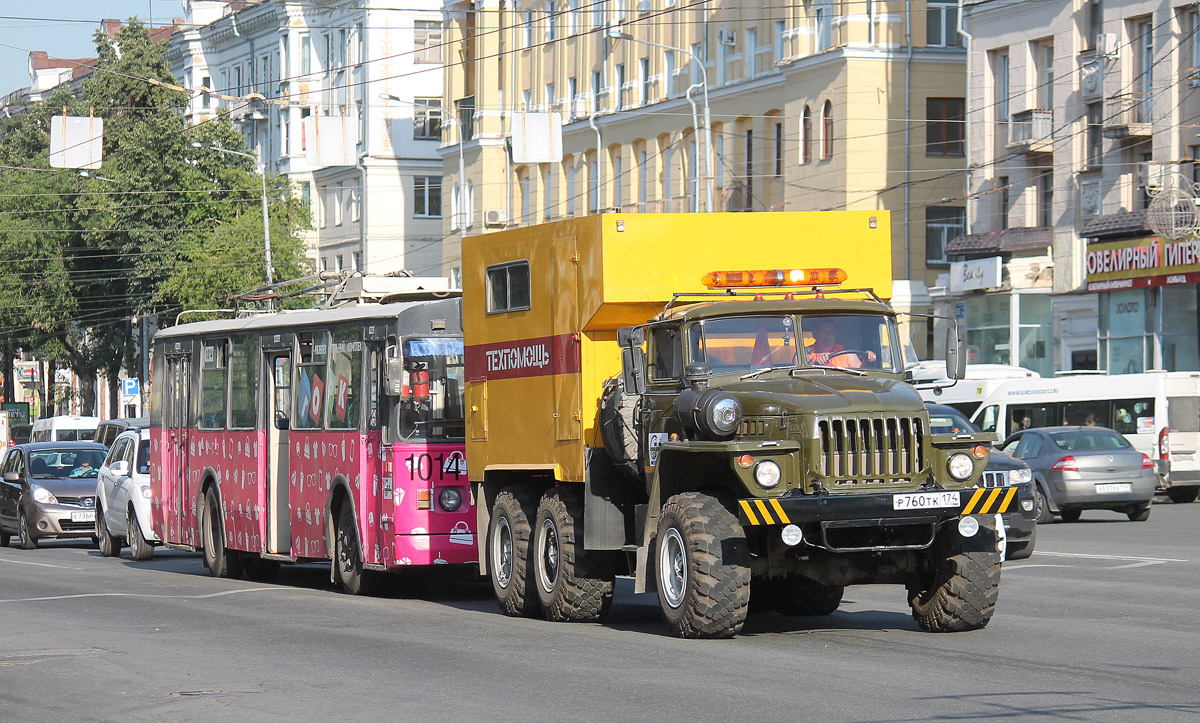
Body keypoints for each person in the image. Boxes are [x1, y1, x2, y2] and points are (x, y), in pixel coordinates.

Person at [805, 319, 876, 368]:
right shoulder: (805, 353)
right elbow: (803, 370)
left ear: (835, 334)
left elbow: (861, 373)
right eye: (823, 332)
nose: (828, 335)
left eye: (831, 332)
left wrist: (867, 359)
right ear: (814, 334)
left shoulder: (847, 353)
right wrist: (816, 363)